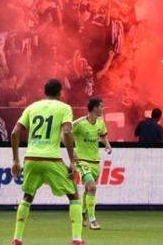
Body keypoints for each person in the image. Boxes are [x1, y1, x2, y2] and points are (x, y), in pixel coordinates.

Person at [10, 78, 83, 245]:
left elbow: (14, 133)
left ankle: (17, 239)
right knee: (73, 195)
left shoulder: (32, 107)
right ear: (60, 93)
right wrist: (72, 161)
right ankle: (77, 240)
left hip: (31, 158)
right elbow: (66, 132)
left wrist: (15, 160)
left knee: (27, 196)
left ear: (45, 92)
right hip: (51, 158)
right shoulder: (64, 108)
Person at [72, 97, 112, 231]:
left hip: (95, 161)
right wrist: (71, 151)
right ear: (94, 108)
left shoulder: (100, 122)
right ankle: (92, 220)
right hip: (83, 161)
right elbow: (65, 133)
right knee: (93, 187)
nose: (103, 109)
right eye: (101, 106)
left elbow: (103, 135)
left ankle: (83, 212)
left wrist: (107, 145)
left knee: (88, 189)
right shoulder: (80, 123)